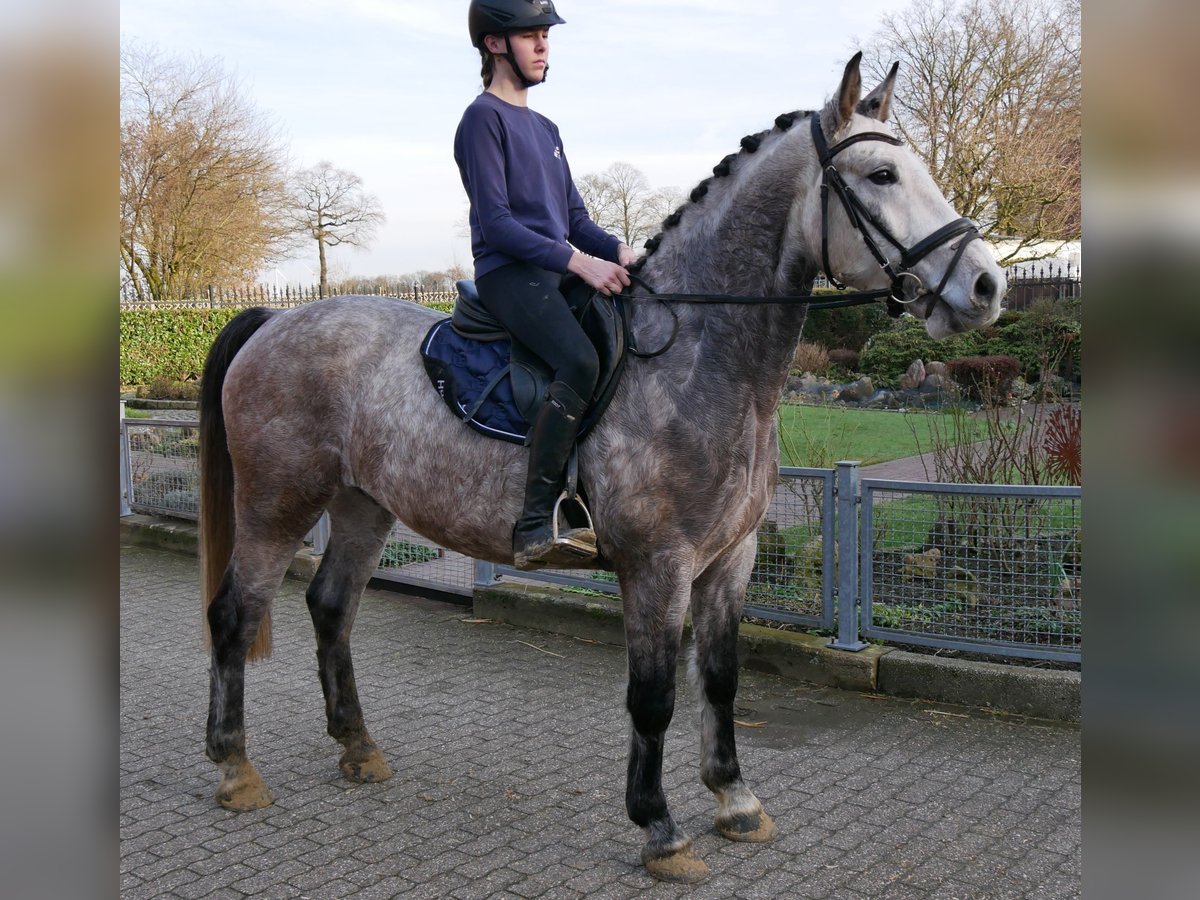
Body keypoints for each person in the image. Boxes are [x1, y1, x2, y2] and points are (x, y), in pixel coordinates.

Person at [456, 0, 637, 570]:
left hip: (554, 269)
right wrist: (580, 263)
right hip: (509, 273)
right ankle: (536, 521)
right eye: (530, 35)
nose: (542, 46)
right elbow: (497, 223)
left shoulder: (546, 129)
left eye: (545, 35)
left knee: (624, 333)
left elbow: (575, 219)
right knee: (579, 361)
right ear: (494, 44)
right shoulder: (482, 119)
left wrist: (622, 251)